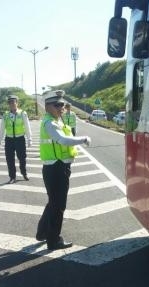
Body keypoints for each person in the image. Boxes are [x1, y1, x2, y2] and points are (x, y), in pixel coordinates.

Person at [36, 90, 91, 250]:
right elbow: (63, 140)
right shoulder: (50, 123)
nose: (61, 107)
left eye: (62, 104)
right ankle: (54, 240)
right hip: (56, 169)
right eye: (57, 105)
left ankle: (42, 233)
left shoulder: (57, 121)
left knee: (53, 203)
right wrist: (84, 139)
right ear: (47, 107)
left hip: (58, 168)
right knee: (58, 206)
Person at [0, 95, 33, 184]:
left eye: (14, 102)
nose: (12, 104)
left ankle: (24, 173)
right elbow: (2, 128)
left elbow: (27, 126)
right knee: (9, 159)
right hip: (9, 140)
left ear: (17, 103)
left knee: (22, 158)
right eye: (10, 102)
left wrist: (30, 139)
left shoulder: (22, 114)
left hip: (20, 139)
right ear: (8, 104)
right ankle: (12, 177)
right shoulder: (5, 115)